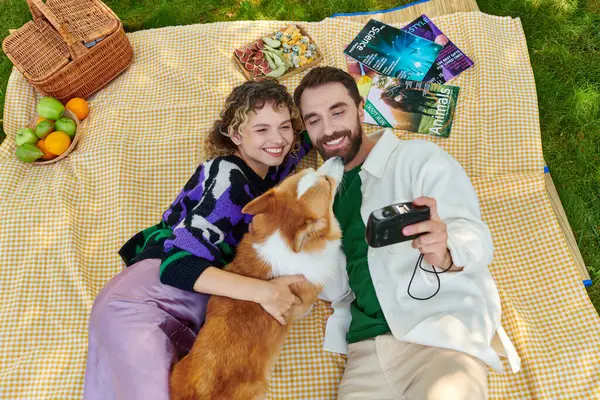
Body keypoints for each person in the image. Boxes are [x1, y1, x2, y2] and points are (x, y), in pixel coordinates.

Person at [293, 67, 520, 400]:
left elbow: (476, 238)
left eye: (337, 112)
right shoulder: (320, 197)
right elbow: (337, 288)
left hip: (441, 336)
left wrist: (445, 250)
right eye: (314, 120)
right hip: (365, 353)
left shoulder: (419, 159)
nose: (328, 130)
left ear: (359, 109)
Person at [83, 79, 312, 400]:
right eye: (261, 130)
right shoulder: (225, 177)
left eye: (285, 126)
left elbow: (304, 140)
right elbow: (178, 267)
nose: (278, 139)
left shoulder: (266, 170)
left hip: (182, 314)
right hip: (143, 305)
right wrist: (266, 292)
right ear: (235, 135)